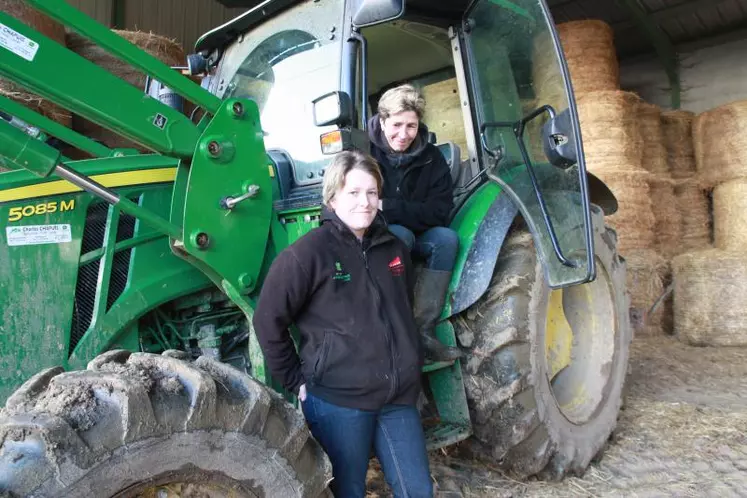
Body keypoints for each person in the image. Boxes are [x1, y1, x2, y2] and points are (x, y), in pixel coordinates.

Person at [252, 151, 433, 498]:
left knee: (419, 491)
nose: (364, 202)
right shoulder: (306, 255)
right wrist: (295, 379)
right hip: (339, 402)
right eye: (353, 193)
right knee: (348, 491)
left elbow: (400, 307)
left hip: (397, 397)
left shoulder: (394, 248)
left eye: (371, 192)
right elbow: (267, 320)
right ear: (333, 197)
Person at [368, 84, 462, 362]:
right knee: (400, 236)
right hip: (379, 236)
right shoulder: (364, 153)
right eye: (396, 124)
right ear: (382, 121)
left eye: (411, 126)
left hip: (417, 231)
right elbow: (365, 208)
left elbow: (440, 211)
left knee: (446, 239)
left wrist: (392, 207)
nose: (404, 134)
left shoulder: (432, 159)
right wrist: (400, 213)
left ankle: (424, 332)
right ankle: (392, 333)